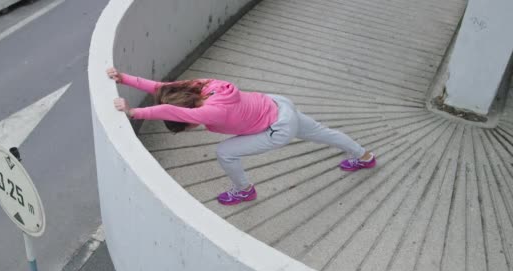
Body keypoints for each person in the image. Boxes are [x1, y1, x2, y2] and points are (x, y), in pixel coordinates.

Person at [107, 67, 376, 206]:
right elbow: (162, 88)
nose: (191, 127)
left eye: (186, 124)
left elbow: (167, 108)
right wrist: (123, 78)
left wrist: (134, 112)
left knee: (226, 152)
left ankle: (244, 191)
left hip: (276, 129)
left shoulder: (209, 113)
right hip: (279, 105)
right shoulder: (205, 86)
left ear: (187, 116)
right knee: (322, 132)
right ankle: (365, 156)